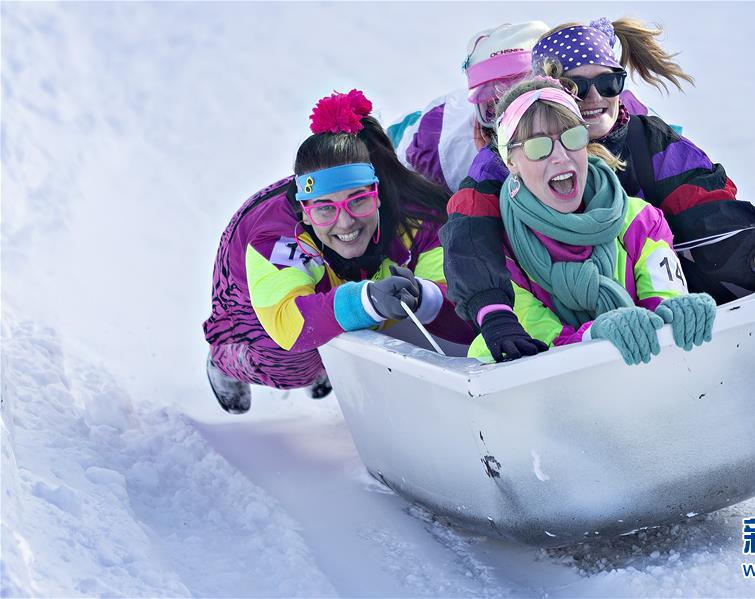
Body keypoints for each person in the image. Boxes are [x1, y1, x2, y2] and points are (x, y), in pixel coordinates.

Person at [440, 17, 755, 362]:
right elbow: (471, 239)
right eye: (577, 86)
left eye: (608, 83)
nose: (594, 98)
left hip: (651, 301)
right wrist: (493, 310)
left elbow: (704, 207)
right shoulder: (503, 162)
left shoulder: (646, 144)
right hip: (556, 318)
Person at [202, 90, 473, 414]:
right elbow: (287, 322)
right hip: (252, 296)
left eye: (358, 200)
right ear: (304, 210)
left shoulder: (416, 218)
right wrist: (367, 300)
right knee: (298, 362)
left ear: (378, 194)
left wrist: (425, 296)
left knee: (387, 314)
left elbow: (463, 303)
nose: (345, 222)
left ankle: (338, 341)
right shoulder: (275, 238)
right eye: (325, 209)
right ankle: (227, 362)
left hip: (345, 275)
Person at [460, 78, 716, 364]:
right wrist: (593, 336)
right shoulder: (497, 247)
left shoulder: (639, 219)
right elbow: (532, 334)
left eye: (572, 137)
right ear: (511, 161)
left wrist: (676, 313)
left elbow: (663, 297)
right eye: (537, 146)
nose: (560, 156)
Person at [388, 21, 549, 192]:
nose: (512, 117)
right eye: (495, 103)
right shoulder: (437, 139)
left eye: (525, 99)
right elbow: (396, 164)